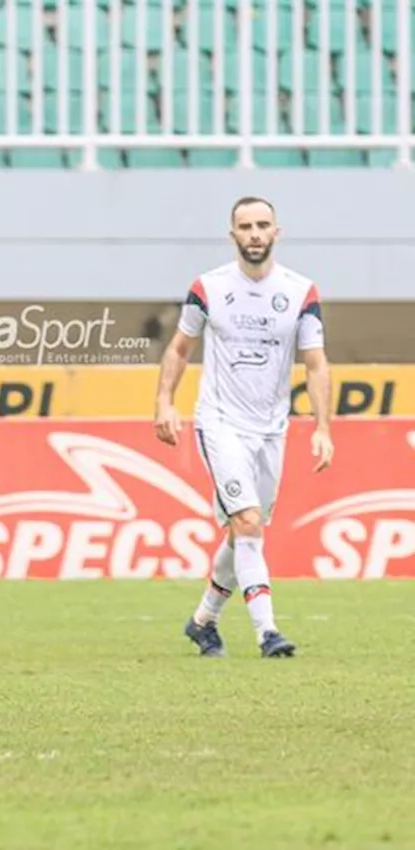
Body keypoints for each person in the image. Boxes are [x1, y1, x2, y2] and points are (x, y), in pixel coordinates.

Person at [154, 196, 333, 659]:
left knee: (242, 531)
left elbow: (315, 364)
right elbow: (179, 348)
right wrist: (164, 402)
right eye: (245, 226)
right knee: (249, 522)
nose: (254, 233)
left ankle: (203, 621)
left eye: (263, 225)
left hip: (272, 429)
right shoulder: (209, 288)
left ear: (278, 231)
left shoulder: (300, 291)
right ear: (232, 234)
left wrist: (322, 427)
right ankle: (267, 631)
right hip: (220, 422)